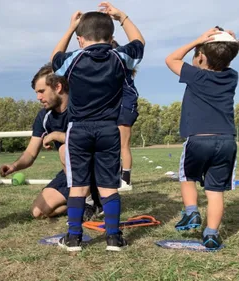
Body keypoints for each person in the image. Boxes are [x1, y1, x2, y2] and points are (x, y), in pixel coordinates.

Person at [51, 2, 144, 252]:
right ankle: (113, 238)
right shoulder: (119, 56)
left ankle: (73, 238)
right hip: (108, 129)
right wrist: (122, 16)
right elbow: (139, 41)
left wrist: (70, 28)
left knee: (79, 185)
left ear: (80, 39)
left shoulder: (73, 59)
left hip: (79, 129)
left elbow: (54, 60)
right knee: (108, 185)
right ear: (111, 37)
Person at [165, 27, 238, 249]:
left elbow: (171, 59)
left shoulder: (195, 75)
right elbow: (224, 57)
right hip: (227, 141)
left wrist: (198, 40)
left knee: (187, 177)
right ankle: (211, 235)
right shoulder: (232, 77)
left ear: (201, 56)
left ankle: (192, 212)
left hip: (198, 138)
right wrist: (230, 43)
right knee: (215, 192)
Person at [0, 63, 101, 220]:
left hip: (96, 169)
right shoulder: (44, 116)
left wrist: (57, 136)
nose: (38, 97)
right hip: (71, 173)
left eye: (41, 91)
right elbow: (30, 153)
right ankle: (87, 202)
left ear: (58, 87)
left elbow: (93, 140)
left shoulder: (83, 106)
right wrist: (14, 166)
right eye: (37, 93)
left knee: (64, 149)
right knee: (37, 212)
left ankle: (88, 202)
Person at [112, 39, 140, 190]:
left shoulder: (119, 63)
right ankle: (117, 178)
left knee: (123, 145)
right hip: (119, 107)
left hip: (125, 106)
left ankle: (126, 181)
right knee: (116, 146)